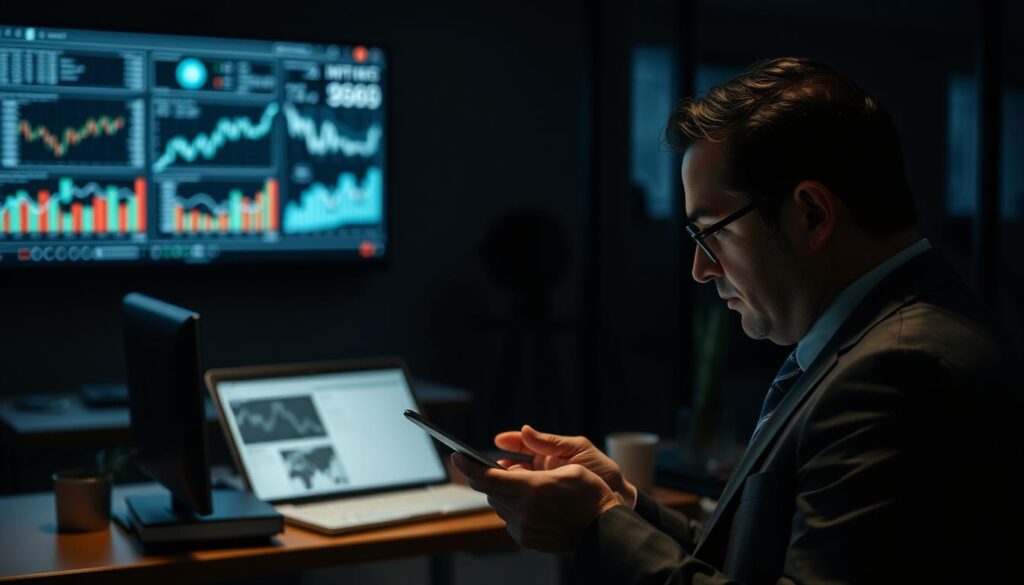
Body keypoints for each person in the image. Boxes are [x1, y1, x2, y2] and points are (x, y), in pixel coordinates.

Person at [451, 57, 1021, 584]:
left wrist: (597, 528)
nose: (700, 268)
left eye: (713, 231)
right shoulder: (882, 340)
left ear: (811, 214)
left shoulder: (898, 372)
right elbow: (758, 564)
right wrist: (624, 504)